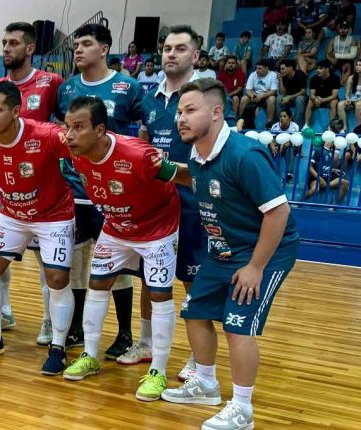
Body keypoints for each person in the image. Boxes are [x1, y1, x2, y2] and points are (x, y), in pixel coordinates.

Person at [161, 78, 299, 430]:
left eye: (190, 110)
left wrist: (256, 267)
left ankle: (242, 410)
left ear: (217, 112)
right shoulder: (197, 153)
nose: (181, 118)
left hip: (263, 252)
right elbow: (197, 180)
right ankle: (205, 383)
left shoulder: (243, 154)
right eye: (179, 111)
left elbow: (278, 212)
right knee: (195, 311)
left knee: (237, 327)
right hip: (222, 251)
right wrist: (162, 170)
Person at [62, 96, 184, 404]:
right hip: (116, 227)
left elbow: (185, 176)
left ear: (100, 130)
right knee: (98, 283)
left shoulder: (139, 155)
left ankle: (158, 371)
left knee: (159, 293)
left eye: (78, 127)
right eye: (67, 127)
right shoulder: (74, 153)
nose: (70, 135)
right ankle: (90, 355)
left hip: (158, 229)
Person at [0, 81, 76, 378]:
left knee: (56, 277)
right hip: (13, 214)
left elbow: (85, 145)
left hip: (53, 214)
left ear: (16, 111)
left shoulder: (47, 135)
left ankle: (58, 346)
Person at [55, 22, 142, 358]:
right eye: (76, 44)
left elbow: (143, 128)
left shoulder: (127, 86)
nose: (78, 49)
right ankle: (75, 327)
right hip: (75, 190)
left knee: (118, 266)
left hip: (115, 194)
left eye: (86, 43)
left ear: (104, 49)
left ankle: (124, 333)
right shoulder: (67, 89)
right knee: (77, 263)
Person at [138, 24, 210, 382]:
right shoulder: (149, 97)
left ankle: (200, 358)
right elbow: (144, 142)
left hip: (193, 202)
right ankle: (146, 342)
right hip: (155, 202)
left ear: (195, 56)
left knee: (192, 281)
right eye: (167, 48)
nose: (171, 54)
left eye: (180, 49)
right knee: (150, 276)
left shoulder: (205, 97)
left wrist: (170, 169)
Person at [0, 21, 65, 336]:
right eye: (4, 42)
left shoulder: (51, 82)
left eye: (14, 43)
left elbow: (64, 126)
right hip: (2, 186)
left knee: (47, 261)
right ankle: (3, 311)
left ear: (30, 48)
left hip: (41, 189)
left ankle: (49, 319)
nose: (7, 48)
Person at [240, 60, 278, 126]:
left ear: (266, 68)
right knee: (244, 99)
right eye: (256, 68)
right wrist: (252, 96)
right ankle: (241, 120)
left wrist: (261, 96)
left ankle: (269, 122)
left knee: (272, 99)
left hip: (266, 96)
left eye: (259, 68)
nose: (257, 70)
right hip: (254, 96)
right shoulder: (253, 74)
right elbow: (248, 89)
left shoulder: (273, 75)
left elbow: (273, 91)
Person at [305, 60, 340, 128]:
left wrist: (323, 100)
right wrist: (316, 99)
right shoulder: (313, 79)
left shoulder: (335, 78)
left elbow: (334, 96)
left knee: (334, 102)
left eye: (320, 68)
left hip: (329, 100)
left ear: (327, 69)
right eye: (317, 68)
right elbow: (312, 95)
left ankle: (331, 126)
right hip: (318, 100)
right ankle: (306, 125)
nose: (317, 70)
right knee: (310, 102)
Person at [277, 59, 307, 126]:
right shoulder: (284, 76)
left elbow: (303, 92)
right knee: (279, 98)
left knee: (300, 99)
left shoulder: (300, 75)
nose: (281, 71)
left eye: (283, 69)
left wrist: (289, 97)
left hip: (299, 97)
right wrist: (280, 80)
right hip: (289, 97)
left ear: (290, 68)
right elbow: (283, 92)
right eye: (280, 69)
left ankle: (297, 126)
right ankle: (281, 124)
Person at [326, 21, 357, 85]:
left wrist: (336, 55)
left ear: (348, 29)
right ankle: (327, 81)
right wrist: (331, 59)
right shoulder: (333, 40)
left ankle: (341, 82)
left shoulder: (352, 40)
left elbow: (353, 55)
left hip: (346, 60)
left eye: (345, 28)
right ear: (338, 29)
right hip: (334, 59)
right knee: (327, 66)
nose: (343, 30)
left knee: (347, 67)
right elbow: (328, 53)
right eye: (341, 28)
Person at [338, 59, 361, 131]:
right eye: (357, 65)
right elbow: (346, 94)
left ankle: (359, 126)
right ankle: (344, 127)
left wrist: (358, 100)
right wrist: (348, 99)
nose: (357, 67)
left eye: (360, 65)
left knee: (358, 104)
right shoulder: (351, 78)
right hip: (353, 100)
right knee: (340, 104)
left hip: (359, 101)